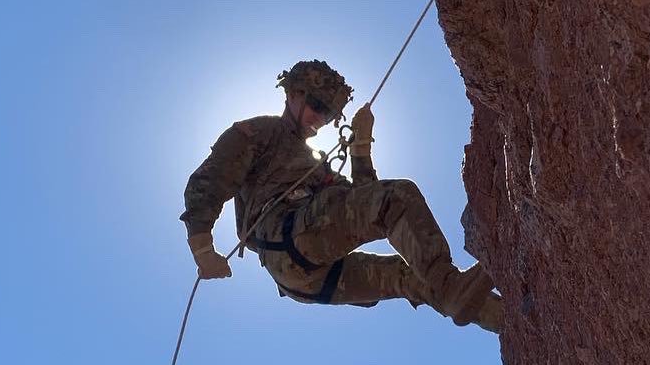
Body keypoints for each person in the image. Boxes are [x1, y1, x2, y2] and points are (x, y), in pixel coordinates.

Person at [180, 59, 502, 332]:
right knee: (399, 197)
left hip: (309, 276)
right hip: (287, 239)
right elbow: (209, 181)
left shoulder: (316, 165)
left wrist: (362, 146)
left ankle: (508, 319)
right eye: (318, 106)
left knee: (411, 276)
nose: (321, 120)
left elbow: (362, 199)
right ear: (293, 94)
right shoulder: (262, 133)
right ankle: (450, 287)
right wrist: (202, 247)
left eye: (330, 114)